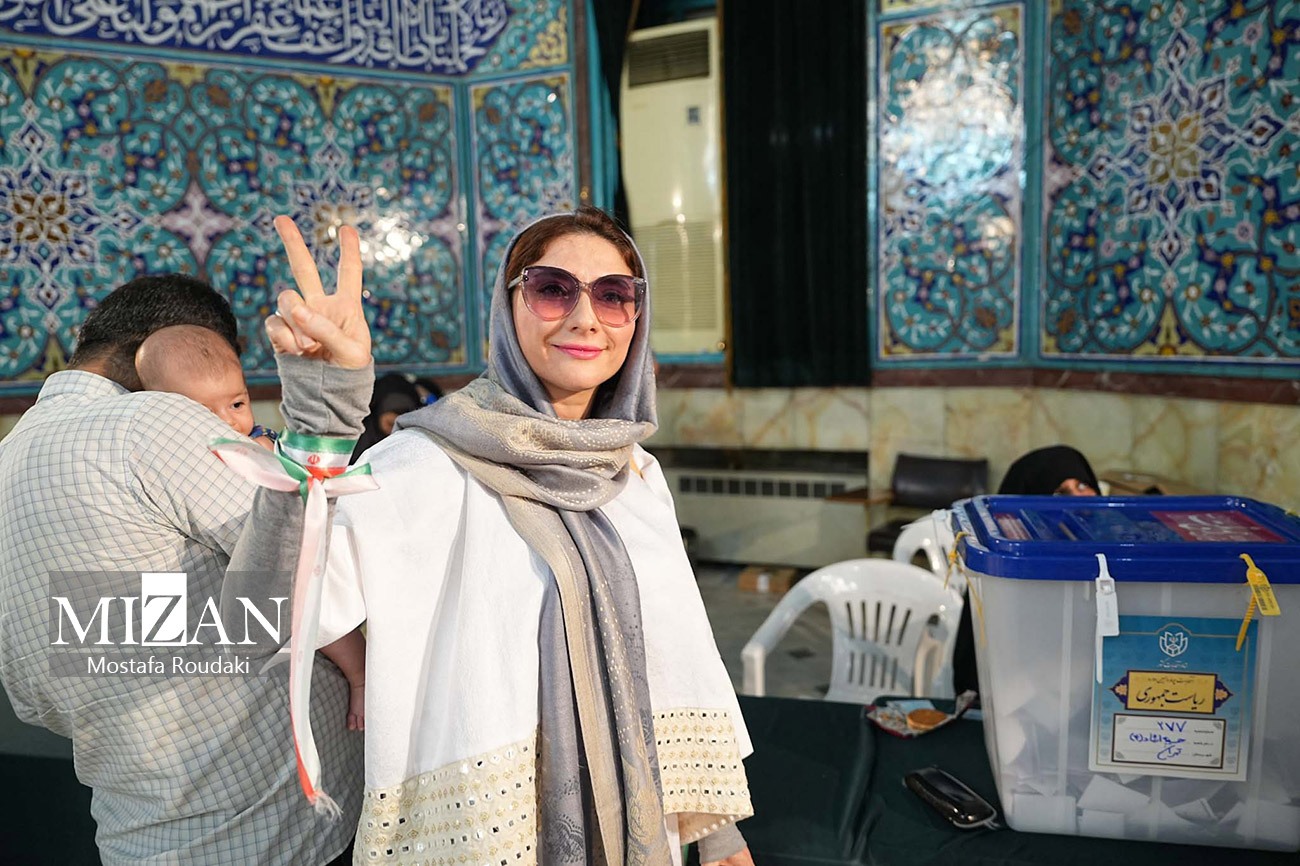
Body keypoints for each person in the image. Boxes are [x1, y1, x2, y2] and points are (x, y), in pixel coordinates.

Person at [245, 207, 756, 866]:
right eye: (553, 289)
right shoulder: (422, 467)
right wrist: (320, 420)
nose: (586, 318)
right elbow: (264, 616)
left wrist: (717, 833)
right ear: (507, 308)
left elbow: (669, 655)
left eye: (613, 295)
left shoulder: (632, 471)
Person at [0, 273, 368, 864]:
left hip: (139, 833)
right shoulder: (151, 419)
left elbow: (34, 698)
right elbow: (312, 569)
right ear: (167, 347)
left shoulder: (10, 455)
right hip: (274, 826)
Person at [135, 323, 368, 729]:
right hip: (262, 593)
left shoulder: (256, 446)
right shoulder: (181, 461)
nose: (229, 422)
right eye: (205, 414)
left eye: (237, 404)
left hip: (305, 558)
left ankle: (361, 675)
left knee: (320, 604)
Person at [952, 444, 1100, 695]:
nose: (1078, 499)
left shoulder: (1104, 557)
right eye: (1060, 493)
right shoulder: (1009, 580)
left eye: (1083, 486)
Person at [350, 372, 423, 461]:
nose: (395, 419)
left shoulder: (418, 444)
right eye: (390, 408)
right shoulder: (354, 439)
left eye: (403, 411)